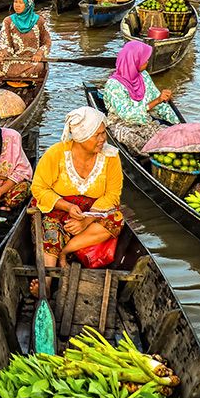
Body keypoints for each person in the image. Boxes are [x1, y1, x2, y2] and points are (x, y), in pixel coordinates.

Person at [31, 106, 124, 278]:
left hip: (92, 212)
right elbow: (38, 188)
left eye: (104, 133)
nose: (103, 139)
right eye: (98, 135)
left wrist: (88, 220)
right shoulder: (56, 154)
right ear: (82, 136)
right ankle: (47, 283)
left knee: (116, 220)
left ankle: (65, 251)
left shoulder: (111, 157)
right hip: (59, 210)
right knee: (50, 232)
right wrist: (67, 207)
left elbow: (112, 195)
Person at [103, 41, 179, 154]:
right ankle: (146, 159)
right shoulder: (113, 85)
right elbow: (127, 115)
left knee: (169, 137)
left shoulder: (144, 76)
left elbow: (160, 106)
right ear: (134, 61)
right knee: (133, 140)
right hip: (122, 124)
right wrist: (156, 101)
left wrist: (178, 122)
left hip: (144, 122)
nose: (147, 61)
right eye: (145, 59)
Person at [0, 0, 51, 82]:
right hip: (13, 59)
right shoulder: (8, 21)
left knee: (38, 66)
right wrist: (4, 54)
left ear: (28, 4)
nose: (17, 5)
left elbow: (47, 42)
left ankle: (9, 76)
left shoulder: (39, 21)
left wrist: (39, 53)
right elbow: (5, 43)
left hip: (31, 61)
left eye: (21, 2)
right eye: (15, 2)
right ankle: (19, 76)